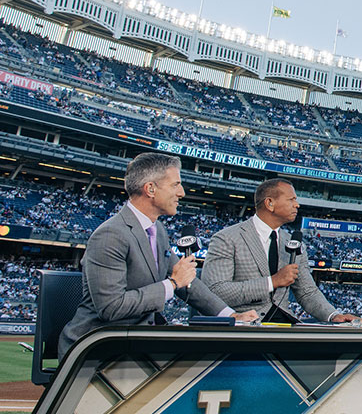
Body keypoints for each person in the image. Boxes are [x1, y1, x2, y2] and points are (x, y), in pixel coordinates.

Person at [58, 153, 257, 357]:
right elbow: (111, 308)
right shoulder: (111, 235)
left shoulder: (157, 230)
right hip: (98, 348)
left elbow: (188, 282)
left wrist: (230, 315)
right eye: (175, 185)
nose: (181, 192)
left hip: (134, 341)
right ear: (150, 189)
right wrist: (171, 284)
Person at [201, 178, 361, 323]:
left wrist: (333, 315)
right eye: (291, 199)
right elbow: (215, 291)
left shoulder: (294, 243)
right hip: (241, 324)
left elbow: (307, 292)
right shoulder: (227, 239)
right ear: (270, 203)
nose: (297, 205)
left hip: (283, 323)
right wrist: (273, 281)